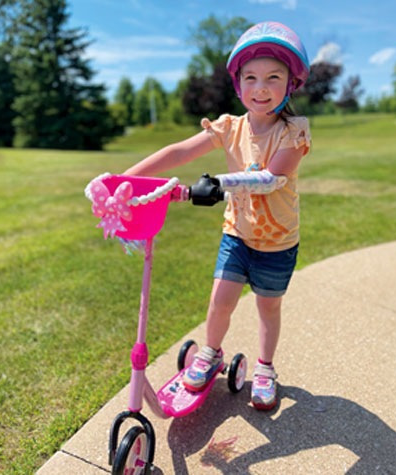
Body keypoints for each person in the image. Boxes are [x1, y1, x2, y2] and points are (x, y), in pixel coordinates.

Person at [124, 21, 311, 410]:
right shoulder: (229, 126)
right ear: (238, 84)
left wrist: (219, 183)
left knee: (268, 306)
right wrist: (125, 180)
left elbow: (271, 178)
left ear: (291, 84)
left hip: (278, 242)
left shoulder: (293, 131)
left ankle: (265, 367)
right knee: (220, 300)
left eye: (273, 78)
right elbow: (178, 152)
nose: (260, 88)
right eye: (251, 78)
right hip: (238, 235)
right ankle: (210, 354)